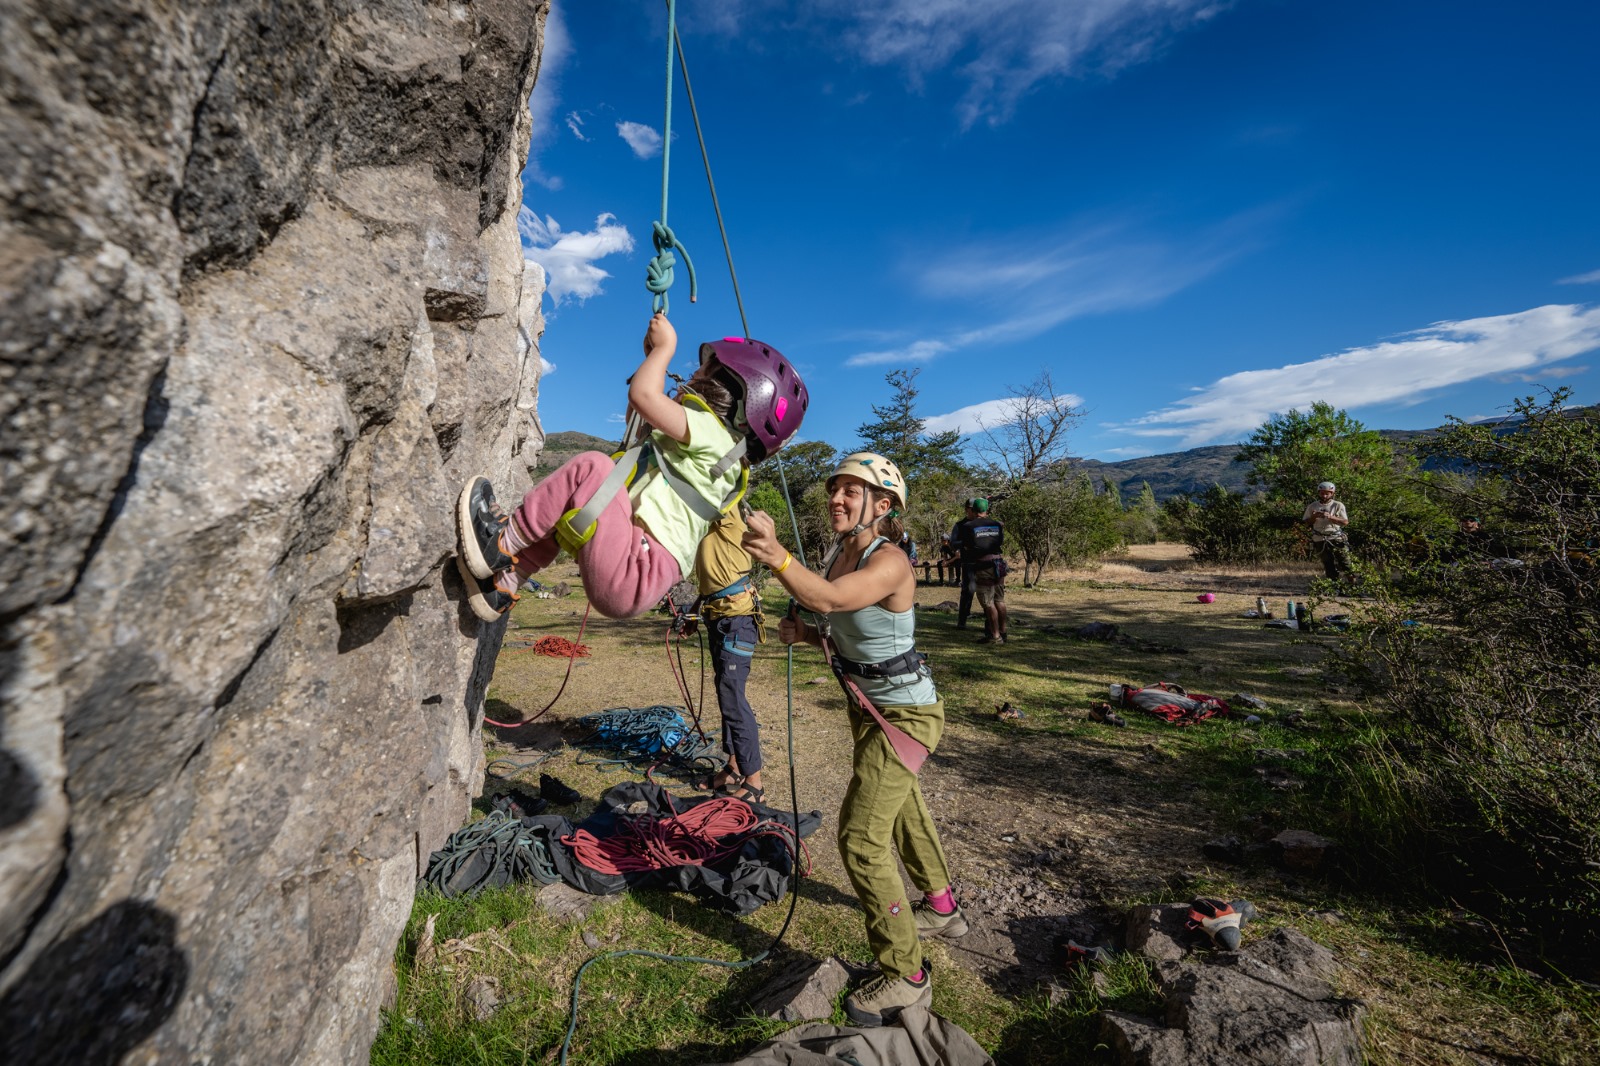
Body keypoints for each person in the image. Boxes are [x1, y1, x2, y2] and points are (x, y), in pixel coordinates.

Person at [742, 452, 967, 1028]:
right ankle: (942, 907)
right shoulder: (838, 553)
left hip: (905, 714)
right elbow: (840, 624)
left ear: (883, 505)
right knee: (902, 805)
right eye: (835, 489)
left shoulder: (889, 561)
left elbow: (833, 601)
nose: (837, 499)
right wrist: (809, 634)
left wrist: (777, 558)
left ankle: (907, 976)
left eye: (852, 491)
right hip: (870, 704)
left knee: (862, 838)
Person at [454, 314, 808, 621]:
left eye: (704, 370)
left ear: (735, 395)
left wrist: (662, 350)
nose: (692, 374)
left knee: (592, 467)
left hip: (638, 566)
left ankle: (502, 541)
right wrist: (650, 361)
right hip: (640, 569)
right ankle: (503, 585)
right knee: (570, 508)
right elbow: (638, 424)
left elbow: (643, 397)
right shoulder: (723, 457)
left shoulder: (714, 436)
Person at [691, 509, 766, 803]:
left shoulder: (727, 509)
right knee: (725, 691)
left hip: (738, 618)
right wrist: (694, 610)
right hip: (717, 613)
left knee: (732, 695)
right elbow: (712, 578)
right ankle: (734, 767)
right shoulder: (708, 524)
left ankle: (754, 782)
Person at [950, 498, 1007, 643]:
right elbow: (999, 542)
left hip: (983, 566)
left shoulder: (969, 527)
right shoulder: (997, 525)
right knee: (999, 599)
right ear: (987, 510)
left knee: (988, 602)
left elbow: (968, 546)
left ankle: (995, 635)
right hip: (999, 564)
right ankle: (1003, 631)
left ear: (973, 510)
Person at [1302, 480, 1351, 583]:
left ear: (1332, 494)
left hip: (1336, 537)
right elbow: (1306, 522)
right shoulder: (1312, 506)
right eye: (1322, 493)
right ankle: (1334, 587)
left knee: (1345, 563)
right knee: (1328, 564)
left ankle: (1353, 587)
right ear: (1319, 493)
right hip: (1319, 538)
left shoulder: (1338, 505)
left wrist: (1331, 517)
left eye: (1327, 493)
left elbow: (1345, 522)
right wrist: (1314, 517)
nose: (1324, 496)